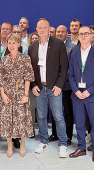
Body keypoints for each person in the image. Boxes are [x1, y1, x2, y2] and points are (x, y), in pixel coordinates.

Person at [28, 18, 68, 158]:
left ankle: (63, 144)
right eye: (40, 28)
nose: (42, 30)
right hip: (39, 88)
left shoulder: (58, 44)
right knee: (42, 117)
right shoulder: (32, 47)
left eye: (45, 28)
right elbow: (30, 70)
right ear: (37, 30)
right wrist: (32, 85)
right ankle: (43, 141)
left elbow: (64, 67)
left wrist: (59, 85)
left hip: (54, 87)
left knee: (58, 117)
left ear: (49, 28)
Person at [0, 33, 34, 157]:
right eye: (9, 43)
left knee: (21, 119)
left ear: (19, 44)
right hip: (7, 92)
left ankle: (22, 144)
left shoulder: (25, 58)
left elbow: (28, 78)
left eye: (14, 43)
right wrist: (2, 93)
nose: (11, 45)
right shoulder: (4, 59)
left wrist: (26, 95)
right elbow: (0, 78)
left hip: (20, 91)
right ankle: (9, 145)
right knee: (7, 119)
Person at [0, 22, 22, 149]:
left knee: (13, 112)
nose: (4, 31)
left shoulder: (16, 47)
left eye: (7, 29)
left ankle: (15, 138)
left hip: (11, 86)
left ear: (11, 31)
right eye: (3, 29)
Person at [48, 25, 78, 145]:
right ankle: (55, 134)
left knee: (67, 111)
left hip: (66, 86)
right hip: (54, 85)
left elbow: (72, 68)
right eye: (58, 32)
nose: (60, 33)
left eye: (62, 32)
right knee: (55, 110)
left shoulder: (73, 47)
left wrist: (61, 81)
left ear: (67, 34)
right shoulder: (51, 47)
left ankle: (68, 136)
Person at [69, 26, 94, 162]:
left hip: (92, 96)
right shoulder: (74, 55)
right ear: (78, 37)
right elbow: (71, 76)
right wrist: (77, 91)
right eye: (81, 34)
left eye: (86, 33)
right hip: (77, 96)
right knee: (79, 123)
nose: (83, 36)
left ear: (91, 36)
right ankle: (81, 147)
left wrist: (89, 91)